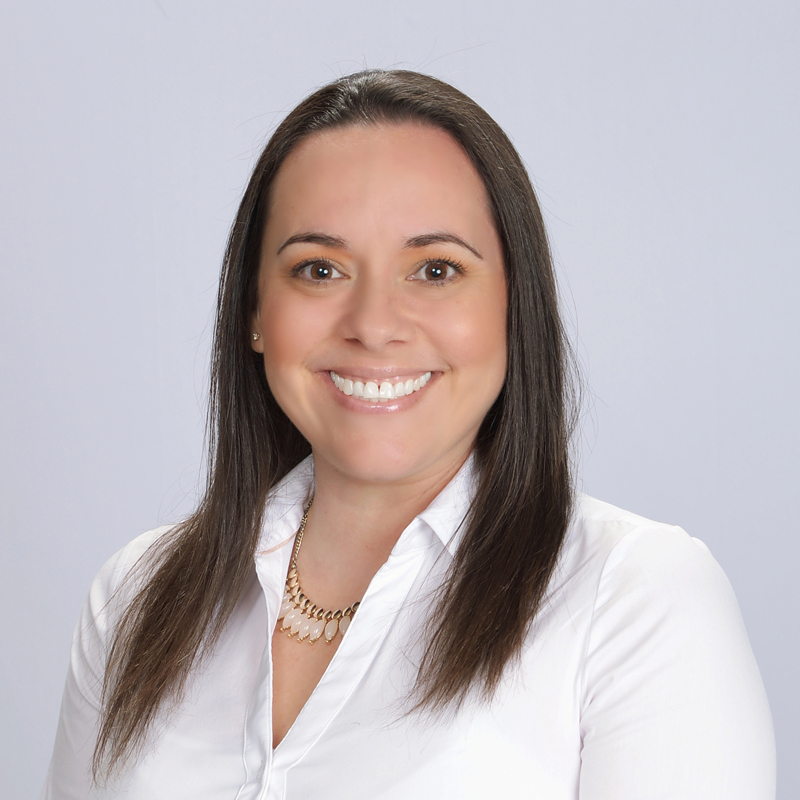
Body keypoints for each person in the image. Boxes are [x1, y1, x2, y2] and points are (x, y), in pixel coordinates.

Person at [40, 70, 775, 799]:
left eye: (435, 269)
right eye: (319, 269)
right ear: (254, 313)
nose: (374, 325)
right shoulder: (136, 598)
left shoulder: (636, 598)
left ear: (514, 308)